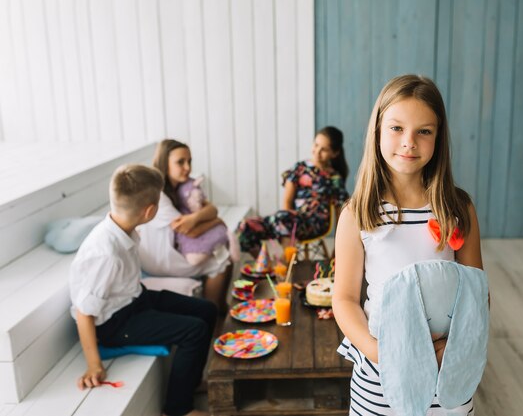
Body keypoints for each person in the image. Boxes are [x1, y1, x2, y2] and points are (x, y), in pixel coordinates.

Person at [332, 75, 485, 416]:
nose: (409, 142)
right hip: (383, 376)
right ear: (378, 131)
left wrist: (457, 346)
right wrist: (378, 352)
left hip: (449, 373)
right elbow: (343, 299)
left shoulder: (458, 208)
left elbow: (477, 292)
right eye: (397, 128)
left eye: (424, 131)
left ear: (438, 137)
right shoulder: (358, 213)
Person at [69, 164, 215, 416]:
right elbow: (84, 312)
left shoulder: (123, 228)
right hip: (115, 324)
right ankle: (177, 409)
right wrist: (94, 364)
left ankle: (191, 382)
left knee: (207, 310)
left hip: (136, 300)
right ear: (150, 211)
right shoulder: (105, 253)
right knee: (194, 331)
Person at [137, 139, 232, 311]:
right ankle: (215, 312)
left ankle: (220, 309)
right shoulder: (159, 195)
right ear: (164, 163)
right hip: (159, 259)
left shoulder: (184, 187)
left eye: (189, 161)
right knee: (221, 261)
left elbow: (211, 209)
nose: (187, 167)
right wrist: (217, 222)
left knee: (224, 252)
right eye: (180, 162)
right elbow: (191, 231)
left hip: (173, 248)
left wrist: (197, 217)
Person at [237, 126, 350, 256]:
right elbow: (287, 200)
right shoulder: (299, 168)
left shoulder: (334, 178)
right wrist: (287, 223)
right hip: (291, 220)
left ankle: (286, 266)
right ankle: (265, 266)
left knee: (284, 218)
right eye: (316, 145)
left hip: (314, 225)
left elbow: (340, 214)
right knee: (246, 226)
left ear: (334, 153)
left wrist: (338, 246)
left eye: (324, 149)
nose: (317, 151)